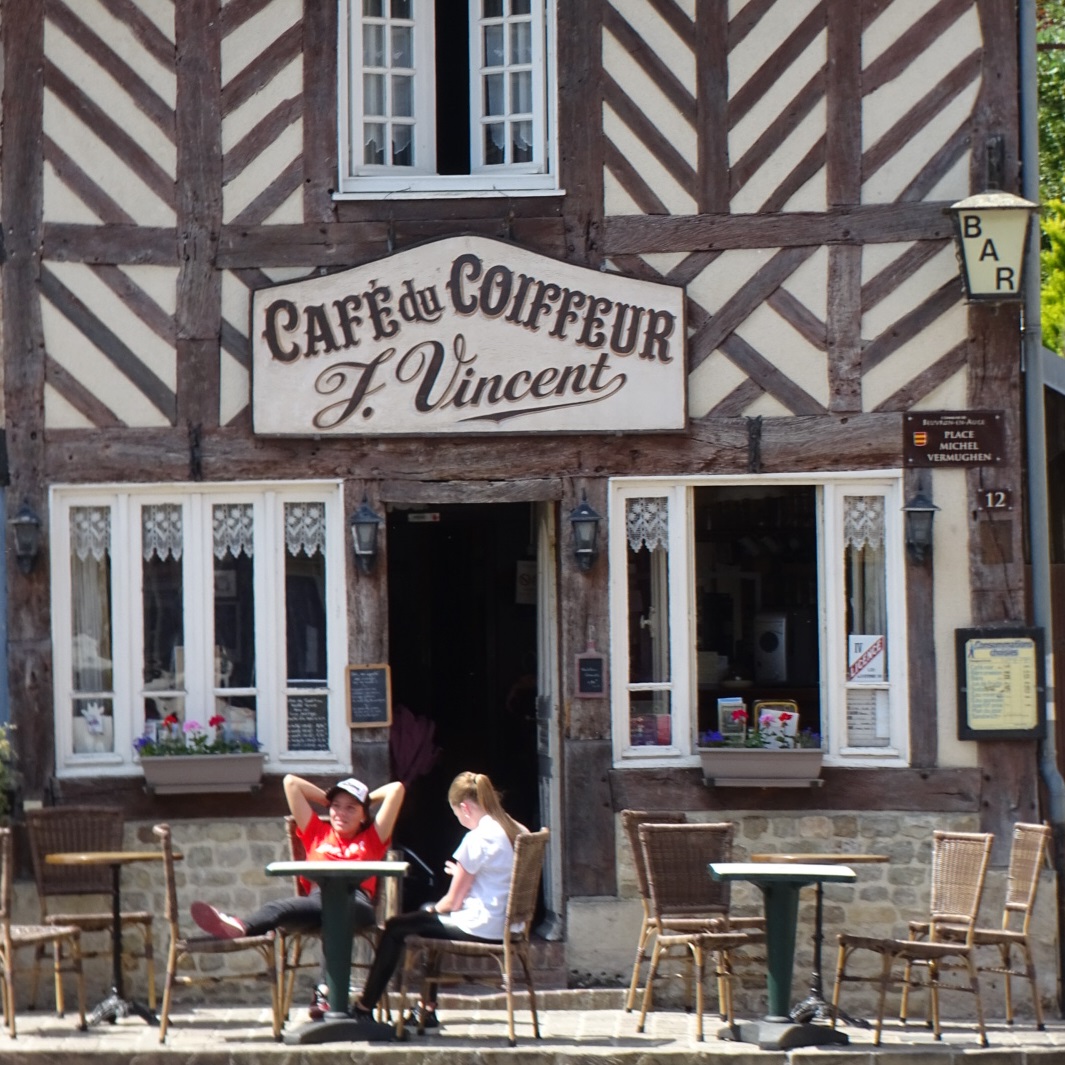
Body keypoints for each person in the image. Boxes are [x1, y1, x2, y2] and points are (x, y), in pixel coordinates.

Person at [189, 772, 404, 1018]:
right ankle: (238, 927)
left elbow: (396, 789)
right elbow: (290, 782)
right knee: (279, 908)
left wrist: (365, 800)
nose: (340, 813)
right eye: (336, 807)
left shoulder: (372, 838)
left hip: (356, 902)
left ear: (364, 814)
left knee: (337, 918)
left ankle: (324, 992)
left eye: (351, 808)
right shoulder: (317, 832)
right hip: (316, 901)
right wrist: (328, 801)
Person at [352, 770, 526, 1031]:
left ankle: (364, 1007)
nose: (458, 819)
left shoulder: (477, 838)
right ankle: (427, 1007)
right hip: (510, 924)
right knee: (423, 914)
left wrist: (435, 908)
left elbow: (452, 903)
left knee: (397, 927)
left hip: (484, 926)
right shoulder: (515, 829)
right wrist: (462, 876)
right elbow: (500, 876)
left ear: (465, 808)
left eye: (456, 814)